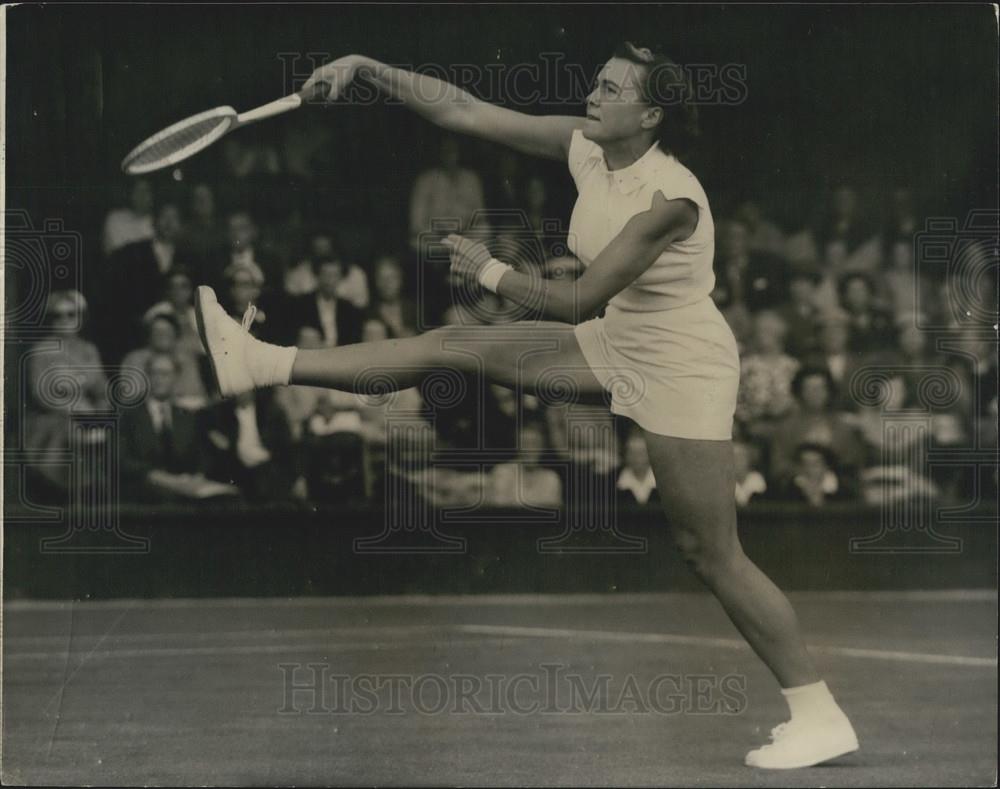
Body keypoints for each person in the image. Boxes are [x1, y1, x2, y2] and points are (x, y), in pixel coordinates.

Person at [194, 43, 858, 767]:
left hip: (681, 364)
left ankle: (818, 712)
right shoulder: (586, 149)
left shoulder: (672, 200)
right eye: (597, 84)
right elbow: (466, 111)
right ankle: (261, 362)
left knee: (711, 551)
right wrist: (366, 68)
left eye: (611, 88)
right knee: (455, 342)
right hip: (619, 339)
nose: (594, 95)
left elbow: (577, 298)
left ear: (650, 113)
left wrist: (493, 270)